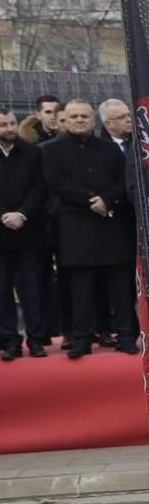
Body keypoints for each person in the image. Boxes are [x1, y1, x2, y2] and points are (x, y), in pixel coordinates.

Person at [40, 99, 137, 357]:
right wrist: (90, 199)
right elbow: (55, 182)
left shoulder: (109, 149)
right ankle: (82, 337)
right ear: (66, 119)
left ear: (94, 120)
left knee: (120, 285)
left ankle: (127, 335)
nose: (80, 120)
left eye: (85, 116)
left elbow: (122, 180)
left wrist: (107, 199)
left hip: (111, 224)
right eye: (75, 116)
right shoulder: (51, 150)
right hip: (75, 226)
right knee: (80, 288)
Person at [0, 108, 47, 359]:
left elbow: (40, 188)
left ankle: (36, 340)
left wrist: (22, 214)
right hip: (1, 233)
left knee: (32, 289)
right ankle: (10, 340)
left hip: (28, 232)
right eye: (3, 125)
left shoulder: (33, 152)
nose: (8, 128)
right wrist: (4, 215)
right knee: (2, 290)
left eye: (11, 123)